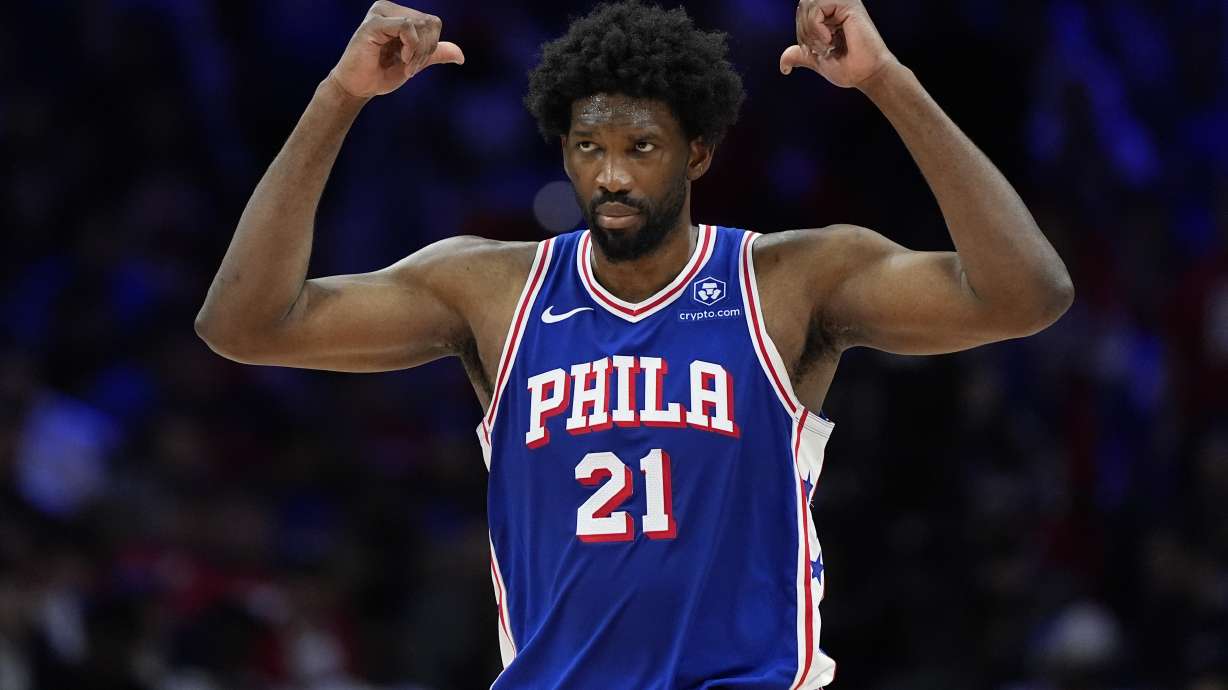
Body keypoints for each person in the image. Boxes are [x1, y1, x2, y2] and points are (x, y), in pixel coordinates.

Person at [194, 0, 1074, 687]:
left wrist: (889, 82)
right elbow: (243, 325)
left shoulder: (788, 281)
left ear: (696, 153)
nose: (611, 175)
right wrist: (338, 96)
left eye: (640, 147)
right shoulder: (491, 290)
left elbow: (1026, 294)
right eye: (588, 147)